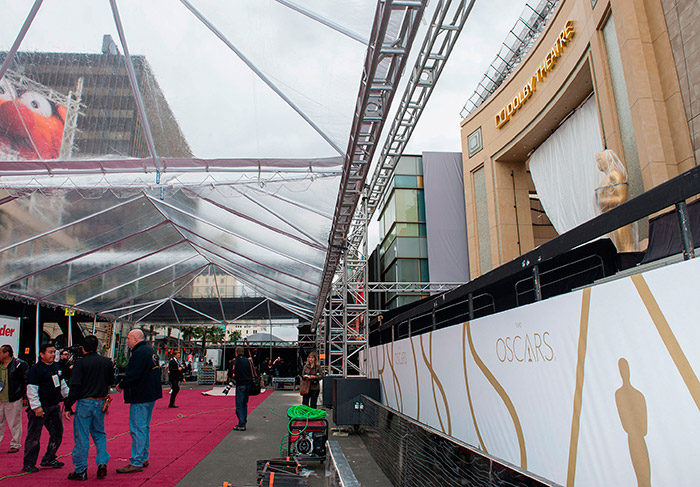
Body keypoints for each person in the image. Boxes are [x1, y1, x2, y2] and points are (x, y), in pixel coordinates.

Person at [63, 335, 115, 480]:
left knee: (82, 436)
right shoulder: (106, 362)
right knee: (99, 433)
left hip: (85, 401)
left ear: (82, 348)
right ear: (97, 347)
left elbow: (75, 386)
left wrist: (68, 405)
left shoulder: (80, 364)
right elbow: (111, 381)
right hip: (100, 400)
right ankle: (102, 462)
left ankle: (81, 469)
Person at [115, 329, 162, 473]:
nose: (127, 341)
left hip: (140, 395)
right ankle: (143, 456)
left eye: (129, 338)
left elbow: (133, 374)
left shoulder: (139, 353)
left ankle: (137, 460)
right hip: (150, 394)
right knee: (144, 427)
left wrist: (121, 385)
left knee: (138, 428)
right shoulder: (150, 351)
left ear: (136, 338)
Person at [23, 343, 69, 473]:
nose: (53, 354)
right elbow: (31, 389)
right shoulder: (36, 370)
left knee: (57, 433)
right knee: (34, 437)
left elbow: (63, 385)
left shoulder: (57, 367)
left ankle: (49, 457)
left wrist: (69, 397)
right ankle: (29, 463)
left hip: (54, 406)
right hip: (40, 408)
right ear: (42, 354)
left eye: (54, 352)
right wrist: (36, 407)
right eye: (50, 352)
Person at [595, 149, 636, 252]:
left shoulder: (616, 175)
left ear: (608, 159)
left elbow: (622, 198)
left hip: (619, 216)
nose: (598, 164)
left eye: (599, 160)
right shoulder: (607, 178)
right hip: (611, 217)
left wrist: (603, 201)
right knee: (617, 247)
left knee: (626, 246)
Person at [0, 344, 28, 454]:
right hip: (1, 399)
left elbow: (26, 380)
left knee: (14, 423)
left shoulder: (19, 364)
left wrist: (25, 396)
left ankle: (15, 443)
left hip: (14, 398)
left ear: (7, 354)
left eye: (0, 352)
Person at [229, 346, 253, 431]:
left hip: (240, 384)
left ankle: (241, 423)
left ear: (236, 353)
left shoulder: (235, 361)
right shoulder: (248, 361)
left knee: (239, 404)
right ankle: (243, 419)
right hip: (248, 384)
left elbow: (230, 373)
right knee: (244, 404)